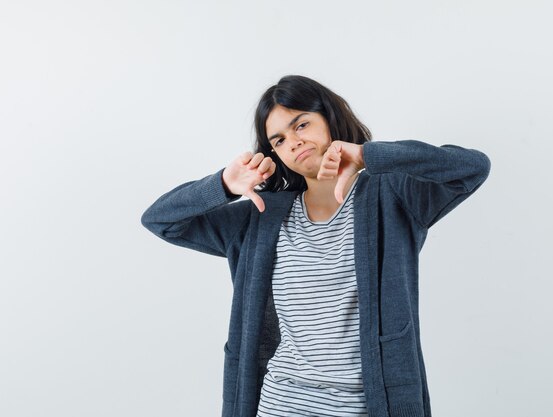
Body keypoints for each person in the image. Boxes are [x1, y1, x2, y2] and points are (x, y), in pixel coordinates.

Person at [141, 75, 491, 417]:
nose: (292, 142)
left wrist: (370, 156)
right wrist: (223, 184)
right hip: (280, 403)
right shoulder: (260, 216)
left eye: (301, 125)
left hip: (367, 406)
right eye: (277, 140)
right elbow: (161, 220)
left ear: (329, 119)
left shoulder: (393, 196)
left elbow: (472, 167)